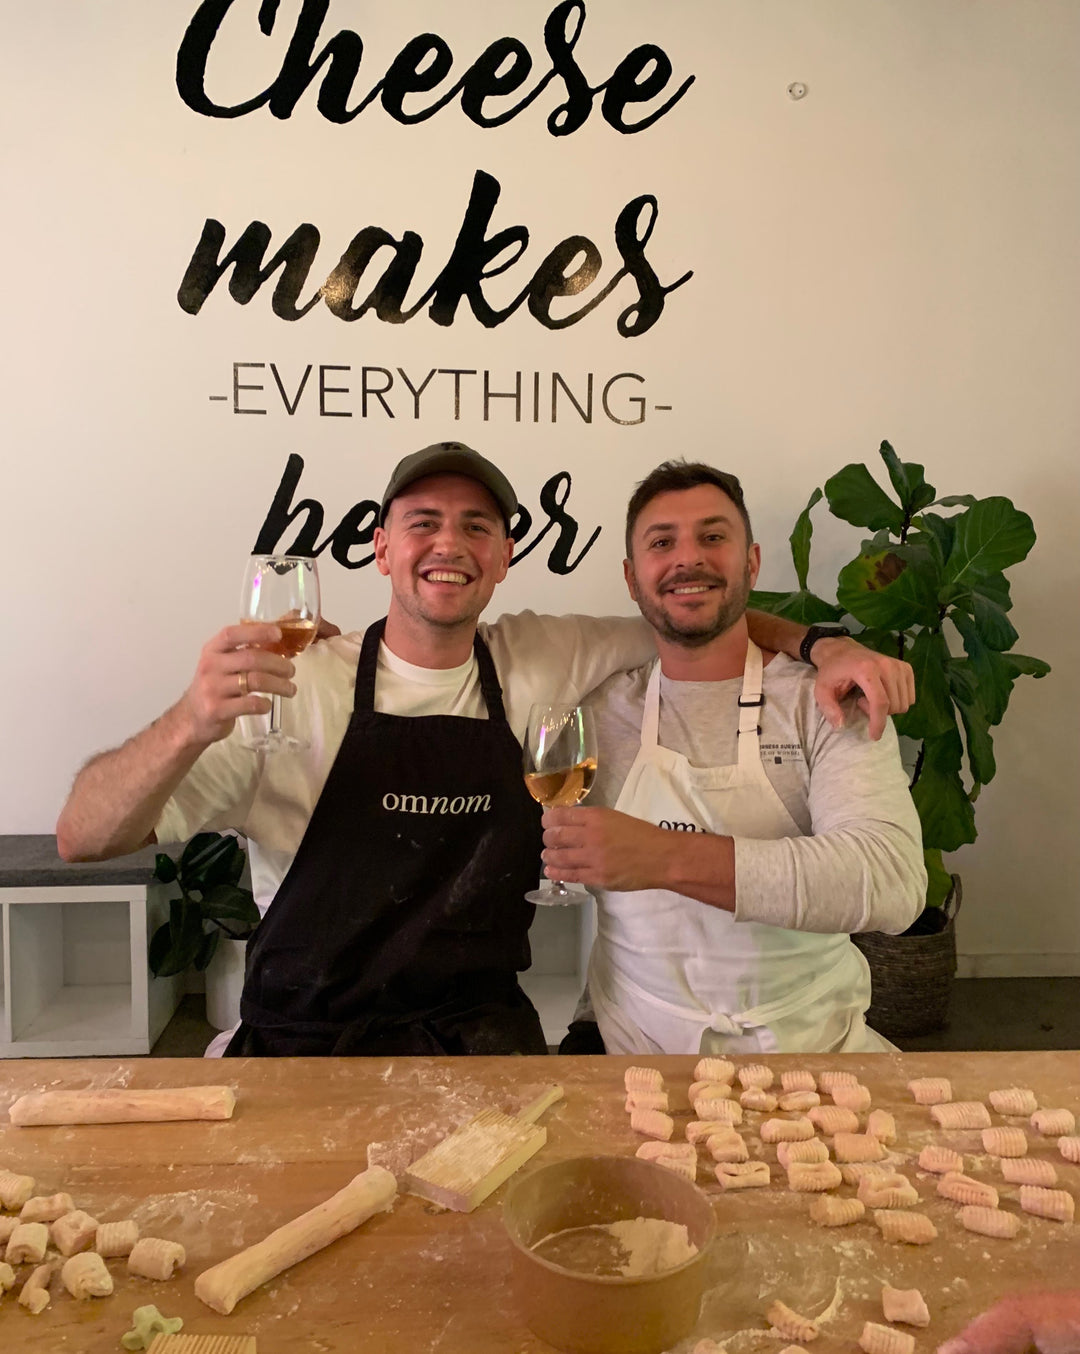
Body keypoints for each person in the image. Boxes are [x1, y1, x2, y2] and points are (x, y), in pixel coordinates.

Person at [56, 442, 912, 1057]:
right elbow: (83, 836)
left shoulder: (542, 656)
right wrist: (188, 721)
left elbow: (694, 615)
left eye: (477, 526)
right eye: (423, 522)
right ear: (383, 548)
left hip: (477, 1039)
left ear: (503, 558)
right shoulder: (293, 687)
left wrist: (824, 645)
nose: (450, 543)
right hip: (304, 1041)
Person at [542, 460, 926, 1055]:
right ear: (631, 575)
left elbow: (893, 881)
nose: (688, 559)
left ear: (751, 561)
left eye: (713, 537)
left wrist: (665, 856)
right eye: (662, 542)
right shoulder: (593, 708)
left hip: (812, 1047)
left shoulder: (825, 697)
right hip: (631, 1050)